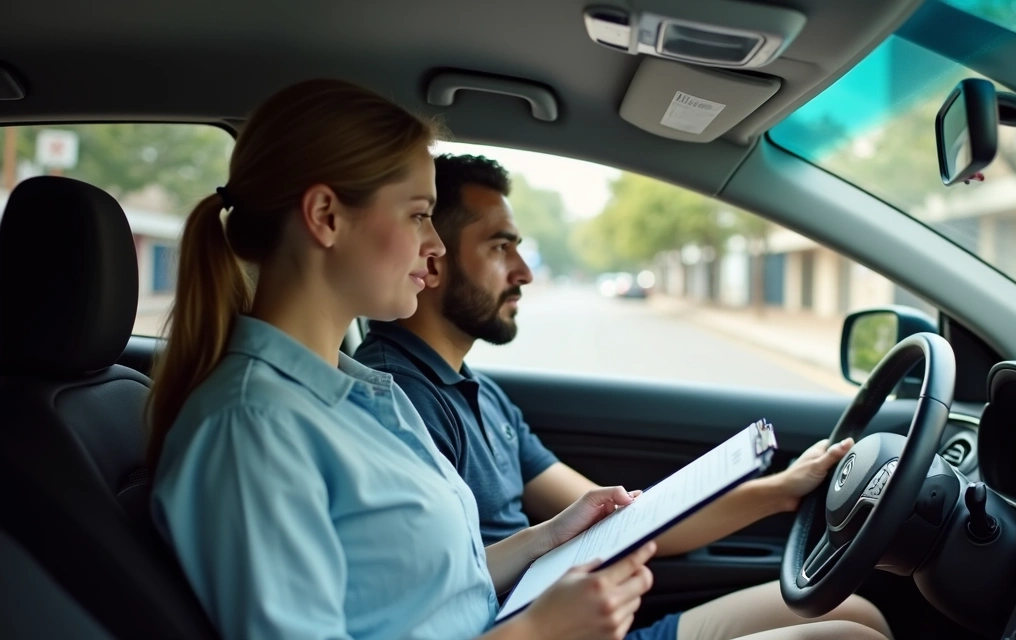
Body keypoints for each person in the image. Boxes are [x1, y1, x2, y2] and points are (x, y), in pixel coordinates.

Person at [147, 78, 670, 640]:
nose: (436, 245)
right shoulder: (252, 426)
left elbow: (437, 590)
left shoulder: (358, 390)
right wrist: (538, 632)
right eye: (419, 214)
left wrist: (554, 534)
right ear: (326, 215)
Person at [353, 154, 894, 640]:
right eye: (500, 247)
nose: (522, 273)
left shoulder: (482, 394)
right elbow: (422, 601)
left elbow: (619, 521)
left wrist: (780, 490)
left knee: (855, 613)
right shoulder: (393, 400)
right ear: (435, 259)